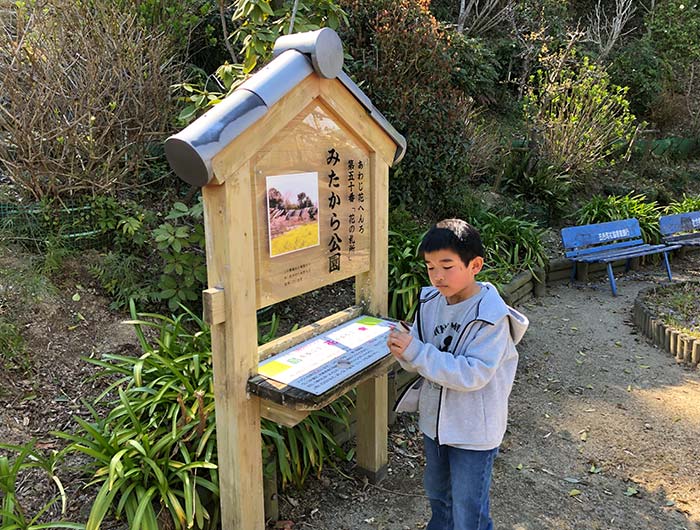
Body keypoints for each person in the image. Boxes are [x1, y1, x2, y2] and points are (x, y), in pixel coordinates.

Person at [387, 218, 529, 530]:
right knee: (438, 495)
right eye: (430, 266)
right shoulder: (430, 301)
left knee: (469, 510)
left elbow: (472, 374)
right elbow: (421, 356)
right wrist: (405, 350)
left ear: (475, 265)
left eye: (447, 266)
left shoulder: (491, 317)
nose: (437, 276)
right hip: (435, 423)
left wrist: (415, 352)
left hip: (474, 430)